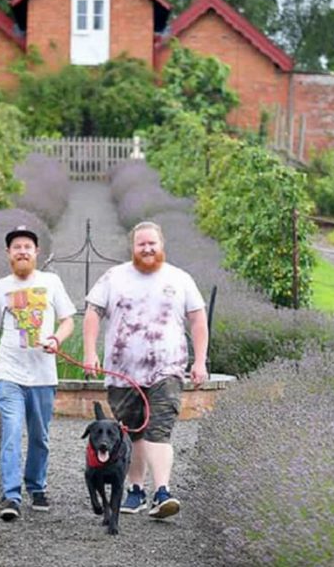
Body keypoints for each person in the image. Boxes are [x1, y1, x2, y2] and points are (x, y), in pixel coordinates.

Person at [82, 221, 209, 520]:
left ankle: (162, 491)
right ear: (133, 247)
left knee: (159, 429)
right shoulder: (114, 278)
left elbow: (198, 319)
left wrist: (200, 360)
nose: (147, 248)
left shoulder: (180, 279)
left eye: (152, 243)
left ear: (161, 245)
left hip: (168, 368)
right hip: (122, 373)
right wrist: (90, 352)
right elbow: (92, 312)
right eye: (142, 244)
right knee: (132, 433)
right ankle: (136, 490)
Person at [0, 225, 76, 521]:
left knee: (40, 436)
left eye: (28, 246)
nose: (23, 251)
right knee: (12, 434)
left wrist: (56, 339)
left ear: (36, 251)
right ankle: (11, 495)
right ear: (8, 253)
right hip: (9, 375)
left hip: (43, 376)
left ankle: (36, 486)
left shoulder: (51, 282)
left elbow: (68, 321)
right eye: (17, 247)